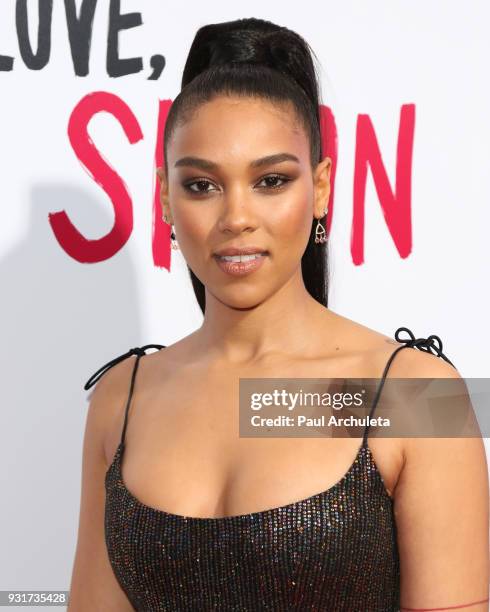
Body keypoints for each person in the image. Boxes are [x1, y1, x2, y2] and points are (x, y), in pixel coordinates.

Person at [68, 17, 489, 612]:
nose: (236, 217)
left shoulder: (417, 394)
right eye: (201, 185)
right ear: (164, 196)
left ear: (320, 188)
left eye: (270, 180)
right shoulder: (120, 398)